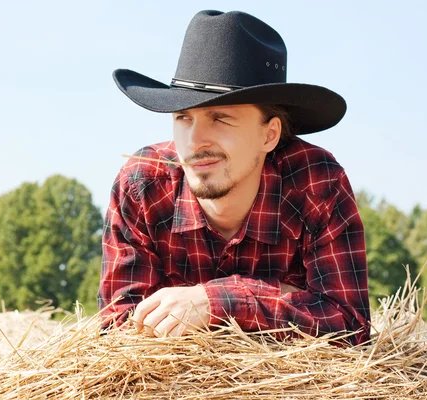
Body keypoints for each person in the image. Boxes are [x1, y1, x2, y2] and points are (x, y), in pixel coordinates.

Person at [99, 10, 370, 345]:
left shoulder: (317, 183)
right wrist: (285, 298)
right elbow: (117, 331)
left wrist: (218, 301)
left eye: (220, 118)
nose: (195, 141)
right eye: (183, 117)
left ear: (269, 135)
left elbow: (350, 328)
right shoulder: (141, 186)